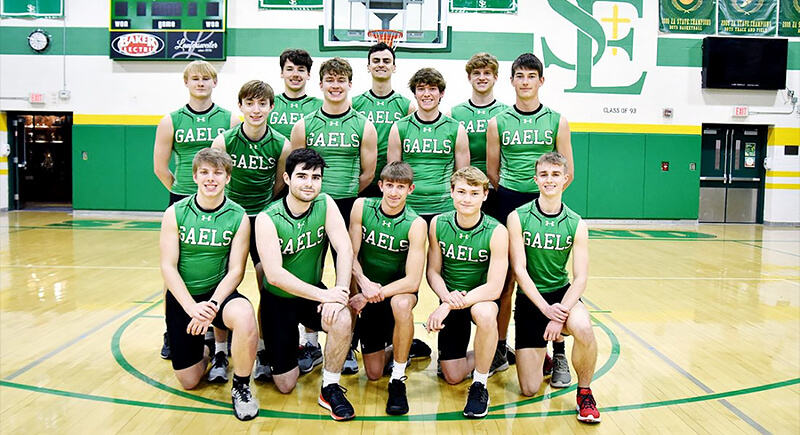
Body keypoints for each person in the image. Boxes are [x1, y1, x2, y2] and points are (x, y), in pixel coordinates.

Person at [486, 53, 576, 386]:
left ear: (541, 81)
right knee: (506, 280)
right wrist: (512, 199)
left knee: (547, 275)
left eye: (531, 76)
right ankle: (499, 347)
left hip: (544, 202)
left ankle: (559, 351)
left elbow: (568, 171)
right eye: (519, 76)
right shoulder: (498, 122)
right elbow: (493, 170)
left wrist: (546, 196)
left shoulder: (557, 121)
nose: (525, 82)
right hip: (509, 201)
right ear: (511, 81)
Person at [255, 148, 357, 421]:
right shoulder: (268, 217)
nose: (309, 183)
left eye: (316, 177)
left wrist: (339, 293)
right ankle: (280, 350)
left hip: (312, 295)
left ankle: (330, 387)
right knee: (286, 384)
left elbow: (344, 248)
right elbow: (275, 275)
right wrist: (325, 295)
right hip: (279, 301)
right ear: (287, 178)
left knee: (343, 318)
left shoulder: (325, 203)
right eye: (302, 176)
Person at [291, 57, 378, 374]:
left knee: (350, 273)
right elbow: (297, 168)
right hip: (311, 207)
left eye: (341, 80)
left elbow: (368, 173)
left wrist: (343, 192)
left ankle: (348, 343)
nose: (336, 85)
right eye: (330, 79)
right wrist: (315, 196)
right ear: (321, 84)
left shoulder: (363, 125)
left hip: (347, 206)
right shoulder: (304, 124)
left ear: (350, 85)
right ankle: (311, 342)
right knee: (308, 271)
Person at [159, 147, 259, 421]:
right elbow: (168, 267)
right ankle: (209, 349)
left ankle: (241, 386)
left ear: (228, 178)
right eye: (204, 172)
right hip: (185, 299)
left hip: (219, 295)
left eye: (217, 172)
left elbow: (236, 270)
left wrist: (213, 304)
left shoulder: (238, 216)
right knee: (189, 380)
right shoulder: (175, 213)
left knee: (245, 315)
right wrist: (192, 308)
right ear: (194, 177)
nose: (210, 178)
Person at [153, 60, 239, 360]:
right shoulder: (171, 120)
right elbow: (160, 167)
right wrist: (184, 193)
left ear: (215, 82)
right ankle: (172, 330)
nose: (200, 83)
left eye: (206, 78)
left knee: (221, 266)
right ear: (186, 83)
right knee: (175, 269)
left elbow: (232, 163)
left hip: (220, 204)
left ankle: (219, 334)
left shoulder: (230, 119)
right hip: (184, 199)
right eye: (195, 78)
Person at [507, 152, 600, 423]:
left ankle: (585, 393)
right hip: (531, 299)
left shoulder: (576, 223)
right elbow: (519, 270)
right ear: (535, 179)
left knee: (584, 328)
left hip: (561, 295)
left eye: (556, 174)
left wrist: (559, 315)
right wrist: (546, 310)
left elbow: (580, 278)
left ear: (565, 179)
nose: (550, 180)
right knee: (529, 388)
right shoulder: (518, 217)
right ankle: (545, 356)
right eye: (544, 175)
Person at [210, 79, 291, 383]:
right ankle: (220, 350)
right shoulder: (224, 142)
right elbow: (214, 182)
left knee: (266, 283)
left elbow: (280, 183)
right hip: (230, 217)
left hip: (261, 220)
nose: (256, 109)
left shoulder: (281, 144)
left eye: (262, 104)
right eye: (250, 103)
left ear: (271, 107)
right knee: (221, 281)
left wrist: (263, 211)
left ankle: (263, 349)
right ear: (240, 106)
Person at [425, 167, 508, 419]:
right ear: (451, 192)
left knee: (485, 313)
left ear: (485, 195)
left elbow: (494, 287)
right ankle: (494, 355)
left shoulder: (496, 231)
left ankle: (480, 384)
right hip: (451, 297)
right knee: (452, 376)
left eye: (474, 193)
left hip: (480, 298)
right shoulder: (438, 224)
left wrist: (447, 305)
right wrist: (446, 297)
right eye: (461, 192)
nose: (467, 199)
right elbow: (433, 272)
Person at [347, 161, 427, 415]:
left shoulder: (416, 223)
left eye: (400, 187)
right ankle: (403, 345)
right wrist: (364, 285)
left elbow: (413, 281)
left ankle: (398, 378)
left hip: (397, 292)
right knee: (372, 372)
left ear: (410, 189)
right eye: (390, 185)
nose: (394, 192)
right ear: (380, 185)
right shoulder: (362, 207)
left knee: (401, 304)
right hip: (368, 290)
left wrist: (371, 294)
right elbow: (350, 256)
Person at [387, 67, 470, 224]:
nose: (426, 94)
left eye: (432, 89)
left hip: (444, 208)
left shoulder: (456, 129)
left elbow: (462, 177)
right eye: (421, 89)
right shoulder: (399, 127)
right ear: (414, 93)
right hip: (409, 208)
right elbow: (394, 176)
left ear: (441, 93)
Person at [352, 42, 416, 198]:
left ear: (394, 67)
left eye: (386, 61)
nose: (381, 64)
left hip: (393, 183)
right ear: (368, 67)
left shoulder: (407, 106)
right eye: (376, 61)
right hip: (361, 180)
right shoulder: (354, 104)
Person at [269, 49, 323, 140]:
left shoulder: (320, 106)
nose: (295, 74)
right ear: (282, 73)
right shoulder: (268, 103)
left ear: (308, 74)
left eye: (301, 70)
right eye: (289, 69)